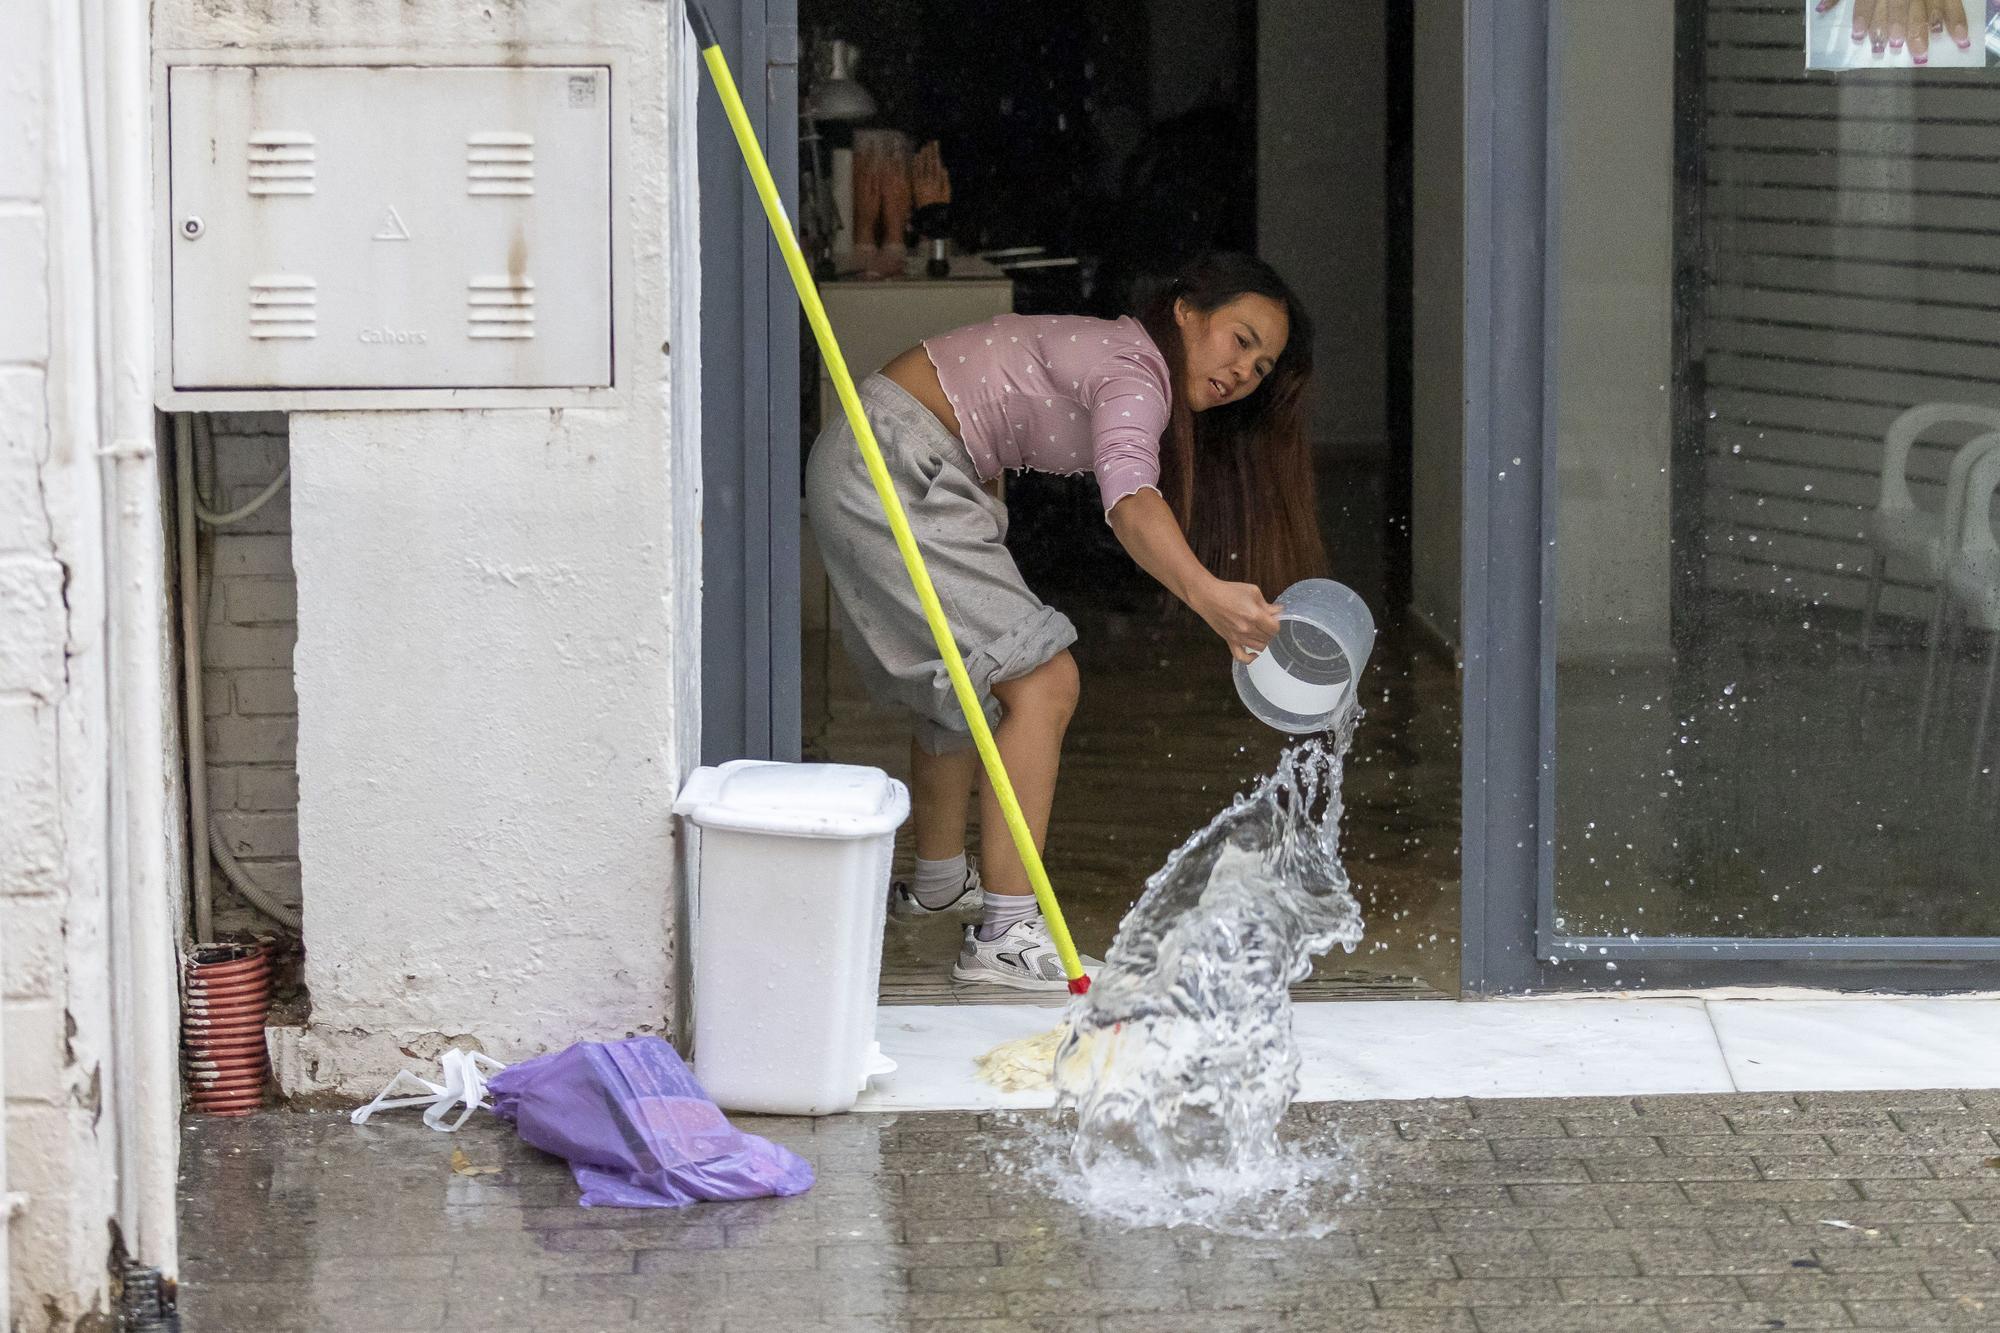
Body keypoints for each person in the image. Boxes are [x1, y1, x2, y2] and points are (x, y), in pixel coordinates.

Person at [805, 252, 1326, 989]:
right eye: (1241, 340)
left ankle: (941, 884)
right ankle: (1009, 931)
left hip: (902, 458)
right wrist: (1207, 593)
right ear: (1185, 309)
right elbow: (1130, 498)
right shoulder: (1135, 370)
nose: (1244, 371)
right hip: (895, 462)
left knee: (970, 680)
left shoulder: (1122, 359)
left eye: (1263, 367)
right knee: (1043, 679)